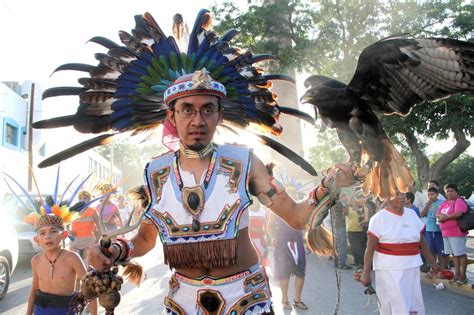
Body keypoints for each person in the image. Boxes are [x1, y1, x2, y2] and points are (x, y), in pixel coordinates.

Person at [88, 69, 356, 313]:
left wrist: (329, 186)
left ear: (219, 115)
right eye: (187, 110)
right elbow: (145, 239)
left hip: (245, 298)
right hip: (184, 302)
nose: (198, 120)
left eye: (207, 109)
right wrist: (118, 250)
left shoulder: (246, 163)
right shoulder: (156, 174)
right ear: (171, 116)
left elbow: (298, 217)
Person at [360, 192, 439, 315]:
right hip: (389, 268)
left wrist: (433, 263)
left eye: (402, 194)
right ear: (386, 197)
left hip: (412, 265)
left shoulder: (412, 214)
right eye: (396, 194)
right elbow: (369, 248)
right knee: (396, 305)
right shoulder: (378, 218)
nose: (401, 197)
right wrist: (366, 273)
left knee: (413, 304)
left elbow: (422, 242)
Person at [26, 214, 98, 315]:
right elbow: (34, 290)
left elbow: (89, 290)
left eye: (53, 231)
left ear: (64, 235)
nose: (48, 236)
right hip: (40, 310)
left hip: (66, 311)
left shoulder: (72, 258)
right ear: (37, 240)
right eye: (42, 233)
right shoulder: (36, 260)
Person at [267, 210, 308, 311]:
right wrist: (272, 237)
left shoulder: (299, 208)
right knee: (284, 273)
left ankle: (297, 300)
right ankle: (284, 300)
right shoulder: (276, 209)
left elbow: (306, 226)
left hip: (298, 244)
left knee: (301, 273)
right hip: (282, 244)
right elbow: (269, 226)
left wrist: (307, 238)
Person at [436, 183, 469, 285]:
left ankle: (463, 275)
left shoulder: (458, 201)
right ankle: (457, 274)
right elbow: (438, 213)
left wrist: (445, 217)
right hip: (446, 233)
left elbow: (458, 213)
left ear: (456, 192)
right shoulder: (445, 203)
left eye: (451, 191)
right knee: (454, 254)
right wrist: (440, 216)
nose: (449, 193)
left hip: (456, 232)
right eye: (447, 191)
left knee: (461, 254)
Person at [421, 187, 448, 271]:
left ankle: (443, 269)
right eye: (428, 195)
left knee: (441, 252)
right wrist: (427, 205)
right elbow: (422, 214)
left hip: (439, 231)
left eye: (432, 194)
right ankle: (433, 270)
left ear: (437, 195)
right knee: (431, 251)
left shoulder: (442, 202)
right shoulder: (428, 203)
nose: (430, 196)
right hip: (429, 230)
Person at [69, 190, 100, 264]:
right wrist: (69, 231)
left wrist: (96, 241)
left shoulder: (93, 211)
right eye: (81, 198)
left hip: (89, 241)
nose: (83, 200)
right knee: (74, 263)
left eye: (85, 198)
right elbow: (65, 225)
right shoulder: (72, 211)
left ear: (89, 200)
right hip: (75, 241)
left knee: (87, 265)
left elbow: (100, 229)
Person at [330, 191, 351, 270]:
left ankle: (337, 263)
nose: (346, 198)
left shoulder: (333, 202)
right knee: (342, 245)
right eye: (345, 196)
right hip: (340, 225)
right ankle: (342, 264)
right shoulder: (338, 202)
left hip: (335, 225)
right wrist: (348, 204)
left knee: (337, 245)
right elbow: (345, 212)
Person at [346, 195, 367, 269]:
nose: (355, 203)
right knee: (353, 248)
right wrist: (352, 195)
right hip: (351, 230)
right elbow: (347, 204)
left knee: (359, 248)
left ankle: (360, 263)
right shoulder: (349, 209)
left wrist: (361, 223)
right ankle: (356, 261)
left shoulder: (361, 210)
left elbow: (365, 219)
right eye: (353, 202)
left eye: (356, 202)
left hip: (359, 231)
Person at [248, 200, 270, 267]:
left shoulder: (263, 212)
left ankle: (262, 270)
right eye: (253, 201)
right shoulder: (247, 211)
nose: (254, 203)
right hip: (249, 238)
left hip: (260, 238)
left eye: (256, 201)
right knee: (253, 256)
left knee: (264, 253)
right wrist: (251, 228)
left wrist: (265, 230)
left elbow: (268, 224)